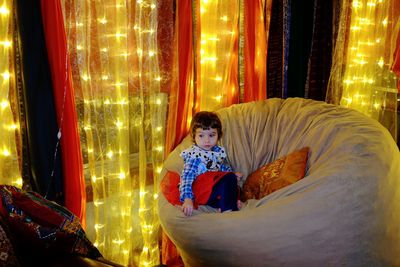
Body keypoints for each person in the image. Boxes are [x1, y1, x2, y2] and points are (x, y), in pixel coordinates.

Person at [179, 111, 242, 216]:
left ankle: (224, 203)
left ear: (218, 135)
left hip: (210, 190)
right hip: (199, 189)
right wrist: (187, 198)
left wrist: (233, 175)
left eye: (212, 135)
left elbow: (220, 168)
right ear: (194, 136)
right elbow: (187, 177)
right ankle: (228, 210)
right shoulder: (195, 155)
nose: (207, 140)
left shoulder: (216, 152)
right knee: (228, 179)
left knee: (232, 181)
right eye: (201, 136)